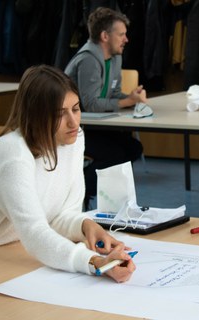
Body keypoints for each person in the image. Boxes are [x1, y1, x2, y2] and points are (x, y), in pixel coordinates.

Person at [0, 65, 136, 282]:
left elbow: (57, 216)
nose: (73, 122)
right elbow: (35, 232)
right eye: (59, 114)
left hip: (15, 250)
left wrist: (85, 226)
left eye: (75, 109)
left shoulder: (74, 139)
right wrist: (93, 262)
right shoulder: (14, 154)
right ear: (37, 116)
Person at [65, 7, 147, 208]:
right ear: (104, 36)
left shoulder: (115, 57)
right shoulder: (87, 60)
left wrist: (131, 97)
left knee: (133, 148)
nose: (126, 39)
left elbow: (113, 94)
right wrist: (127, 102)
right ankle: (76, 189)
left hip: (97, 126)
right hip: (76, 129)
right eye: (121, 34)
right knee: (114, 155)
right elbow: (91, 104)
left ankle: (105, 194)